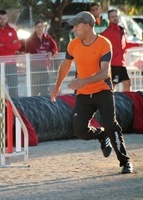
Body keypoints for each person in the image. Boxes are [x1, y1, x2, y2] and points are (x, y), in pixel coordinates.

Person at [50, 11, 133, 174]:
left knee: (111, 125)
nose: (74, 29)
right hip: (83, 93)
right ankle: (102, 136)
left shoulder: (104, 43)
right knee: (79, 130)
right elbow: (65, 66)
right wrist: (57, 86)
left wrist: (83, 81)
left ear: (87, 26)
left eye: (76, 26)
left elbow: (104, 73)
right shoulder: (73, 44)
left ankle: (125, 161)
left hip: (103, 91)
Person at [101, 9, 143, 91]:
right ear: (109, 19)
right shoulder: (108, 32)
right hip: (113, 64)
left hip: (121, 64)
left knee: (127, 83)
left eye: (116, 16)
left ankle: (126, 101)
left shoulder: (121, 30)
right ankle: (110, 102)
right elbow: (99, 42)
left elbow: (125, 45)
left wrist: (139, 44)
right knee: (112, 86)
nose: (115, 18)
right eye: (112, 17)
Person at [0, 9, 21, 98]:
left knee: (13, 87)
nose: (2, 20)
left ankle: (15, 108)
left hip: (11, 63)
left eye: (4, 18)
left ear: (7, 18)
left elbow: (17, 45)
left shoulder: (12, 30)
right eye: (0, 18)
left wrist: (3, 45)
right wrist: (10, 45)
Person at [22, 20, 58, 96]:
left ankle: (44, 106)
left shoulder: (48, 38)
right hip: (34, 68)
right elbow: (22, 49)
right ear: (35, 28)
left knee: (45, 90)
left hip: (44, 68)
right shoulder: (29, 40)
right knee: (34, 90)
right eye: (38, 27)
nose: (40, 28)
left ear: (44, 28)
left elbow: (55, 48)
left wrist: (51, 52)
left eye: (41, 26)